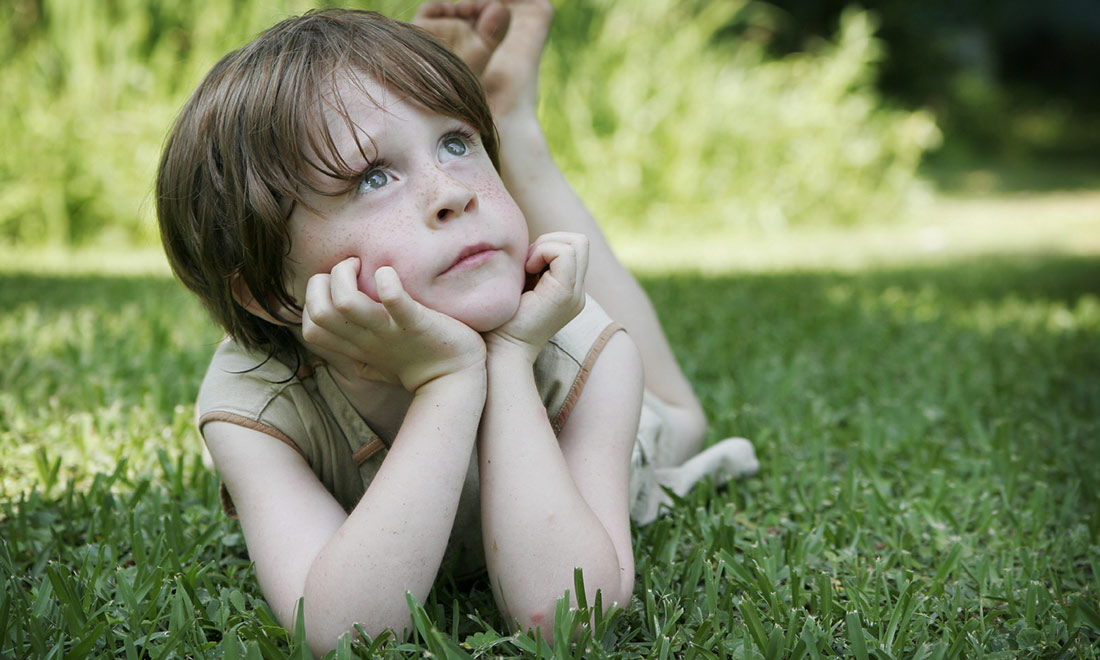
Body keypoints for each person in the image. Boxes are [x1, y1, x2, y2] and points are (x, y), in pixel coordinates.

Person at [156, 1, 757, 654]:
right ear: (273, 292)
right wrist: (447, 381)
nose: (452, 191)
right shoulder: (255, 402)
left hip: (603, 406)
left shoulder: (576, 350)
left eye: (457, 142)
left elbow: (569, 618)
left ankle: (511, 122)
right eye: (372, 177)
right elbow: (343, 634)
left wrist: (505, 359)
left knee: (677, 420)